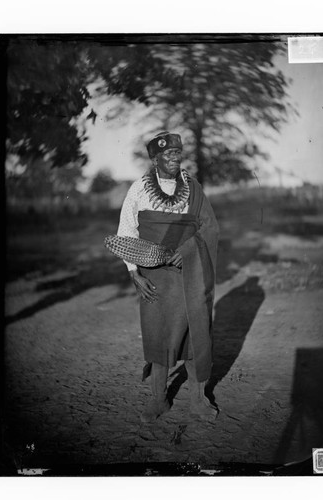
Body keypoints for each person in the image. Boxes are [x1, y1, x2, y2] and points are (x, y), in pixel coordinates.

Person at [117, 131, 219, 423]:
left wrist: (187, 251)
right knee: (158, 336)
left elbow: (209, 227)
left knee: (195, 334)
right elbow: (126, 232)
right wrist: (134, 273)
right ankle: (159, 400)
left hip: (191, 272)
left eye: (177, 153)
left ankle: (198, 401)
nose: (174, 159)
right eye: (168, 154)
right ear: (155, 158)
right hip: (155, 277)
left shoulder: (193, 188)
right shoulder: (138, 189)